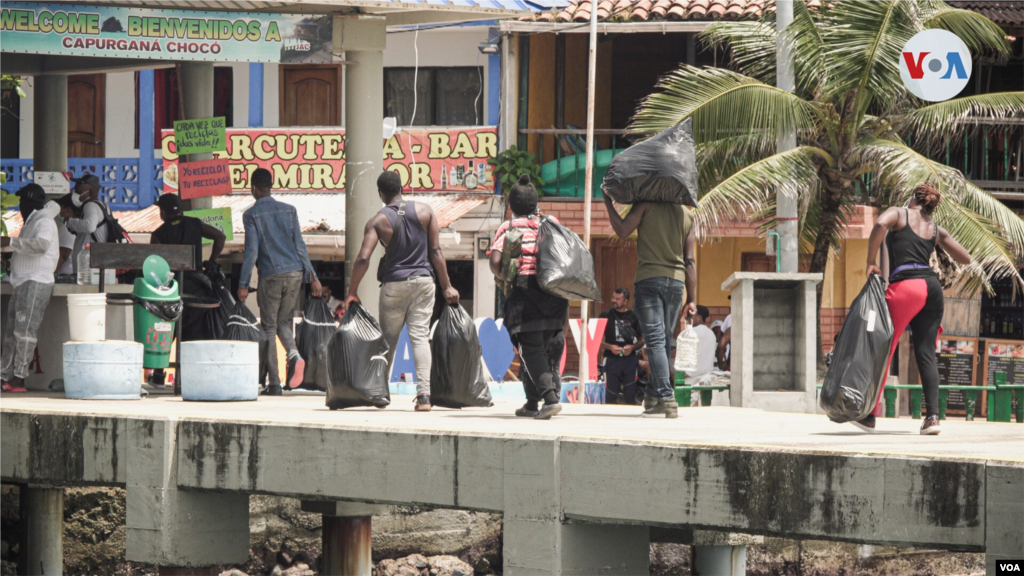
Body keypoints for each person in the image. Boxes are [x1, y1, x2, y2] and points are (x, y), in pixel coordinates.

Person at [344, 171, 459, 412]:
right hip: (425, 283)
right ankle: (425, 396)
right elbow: (436, 251)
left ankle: (380, 393)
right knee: (419, 337)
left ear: (380, 193)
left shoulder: (377, 221)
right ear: (402, 188)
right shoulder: (426, 212)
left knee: (388, 341)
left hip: (394, 285)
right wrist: (447, 285)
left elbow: (363, 258)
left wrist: (352, 291)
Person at [863, 183, 972, 435]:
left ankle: (869, 415)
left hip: (907, 286)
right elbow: (965, 257)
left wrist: (870, 261)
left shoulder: (899, 213)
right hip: (932, 289)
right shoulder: (935, 229)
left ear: (913, 197)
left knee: (885, 347)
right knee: (925, 352)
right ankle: (932, 418)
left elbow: (880, 224)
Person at [604, 195, 697, 418]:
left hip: (649, 280)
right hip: (675, 283)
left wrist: (608, 203)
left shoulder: (645, 205)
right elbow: (690, 260)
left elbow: (623, 231)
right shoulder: (687, 214)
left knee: (655, 339)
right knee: (662, 340)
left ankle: (666, 397)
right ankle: (654, 395)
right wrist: (692, 297)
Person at [488, 174, 567, 419]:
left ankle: (550, 399)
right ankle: (532, 403)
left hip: (525, 293)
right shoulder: (550, 222)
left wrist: (500, 274)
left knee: (530, 349)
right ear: (535, 204)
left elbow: (495, 260)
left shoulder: (509, 227)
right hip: (554, 293)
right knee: (536, 349)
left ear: (512, 205)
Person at [238, 168, 322, 396]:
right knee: (283, 322)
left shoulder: (251, 215)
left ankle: (274, 383)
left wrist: (243, 283)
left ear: (253, 188)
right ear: (271, 185)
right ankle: (294, 355)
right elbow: (300, 246)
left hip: (271, 275)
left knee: (269, 326)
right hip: (295, 273)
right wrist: (313, 276)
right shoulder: (289, 210)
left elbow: (251, 251)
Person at [148, 193, 227, 386]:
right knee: (195, 332)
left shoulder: (159, 233)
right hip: (197, 287)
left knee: (168, 326)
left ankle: (158, 376)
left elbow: (154, 265)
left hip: (172, 288)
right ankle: (192, 378)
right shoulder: (195, 224)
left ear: (163, 212)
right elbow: (220, 236)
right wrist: (212, 260)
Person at [0, 185, 59, 393]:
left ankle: (19, 378)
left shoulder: (44, 221)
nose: (20, 206)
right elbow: (26, 247)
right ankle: (4, 375)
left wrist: (11, 242)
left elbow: (41, 246)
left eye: (21, 202)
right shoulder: (32, 222)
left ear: (28, 203)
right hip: (22, 281)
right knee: (12, 333)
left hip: (36, 281)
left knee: (25, 332)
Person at [599, 287, 644, 404]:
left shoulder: (634, 317)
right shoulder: (605, 315)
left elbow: (642, 340)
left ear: (625, 301)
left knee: (630, 395)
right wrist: (610, 347)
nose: (614, 300)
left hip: (630, 360)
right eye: (613, 298)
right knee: (610, 395)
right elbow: (595, 339)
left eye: (618, 299)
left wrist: (632, 348)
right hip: (611, 359)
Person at [62, 173, 110, 277]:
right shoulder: (103, 205)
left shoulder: (90, 205)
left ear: (90, 191)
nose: (75, 191)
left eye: (79, 190)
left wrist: (70, 221)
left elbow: (89, 226)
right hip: (95, 260)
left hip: (88, 263)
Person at [684, 305, 717, 386]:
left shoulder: (691, 332)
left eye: (690, 317)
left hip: (691, 376)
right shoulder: (711, 333)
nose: (688, 320)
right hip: (706, 376)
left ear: (699, 318)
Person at [54, 194, 77, 283]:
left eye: (61, 208)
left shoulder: (67, 228)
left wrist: (51, 274)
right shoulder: (79, 225)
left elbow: (62, 256)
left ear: (67, 210)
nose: (59, 213)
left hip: (66, 277)